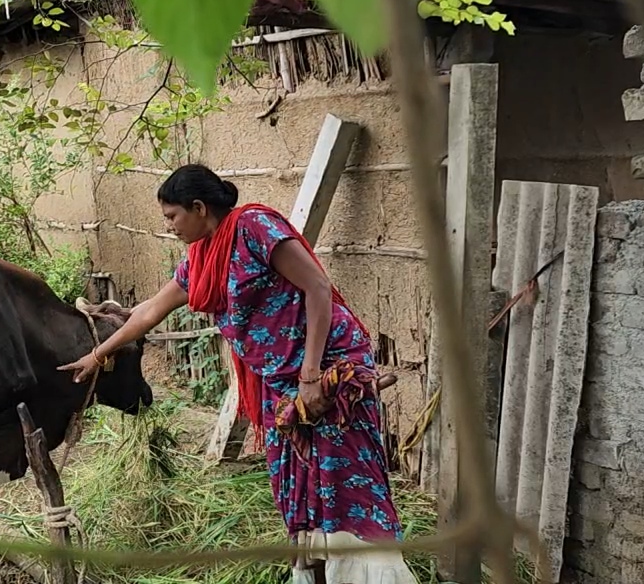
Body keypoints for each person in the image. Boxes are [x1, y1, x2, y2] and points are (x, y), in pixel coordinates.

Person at [59, 163, 418, 584]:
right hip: (279, 385)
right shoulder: (200, 259)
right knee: (299, 486)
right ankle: (321, 575)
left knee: (345, 482)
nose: (170, 227)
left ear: (198, 207)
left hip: (326, 371)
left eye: (172, 217)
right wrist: (97, 354)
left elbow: (317, 288)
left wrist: (310, 375)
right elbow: (151, 310)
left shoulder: (254, 226)